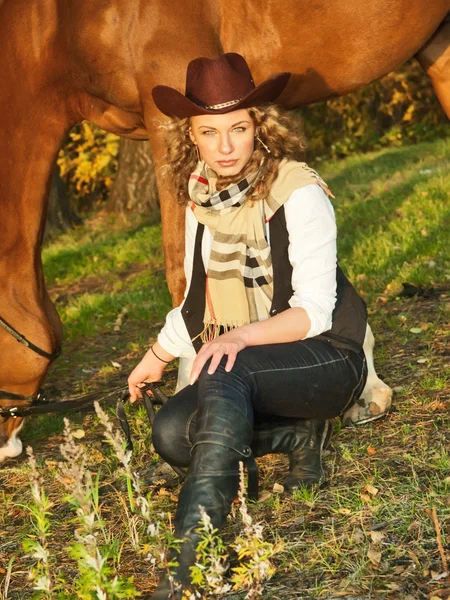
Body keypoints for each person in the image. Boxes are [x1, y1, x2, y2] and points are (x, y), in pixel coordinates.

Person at [128, 53, 368, 599]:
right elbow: (196, 300)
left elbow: (315, 313)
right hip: (250, 367)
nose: (226, 146)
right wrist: (158, 356)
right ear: (192, 135)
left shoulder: (297, 191)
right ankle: (295, 434)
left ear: (260, 125)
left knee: (221, 372)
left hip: (325, 357)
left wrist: (237, 337)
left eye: (238, 128)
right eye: (209, 132)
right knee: (170, 432)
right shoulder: (199, 198)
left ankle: (196, 552)